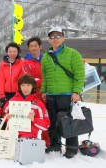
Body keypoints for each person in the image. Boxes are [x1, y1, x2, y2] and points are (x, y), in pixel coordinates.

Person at [41, 27, 85, 159]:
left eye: (58, 36)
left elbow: (80, 74)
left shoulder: (73, 53)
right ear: (49, 40)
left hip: (67, 95)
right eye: (52, 37)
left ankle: (72, 148)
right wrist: (44, 91)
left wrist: (76, 91)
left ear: (63, 38)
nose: (55, 39)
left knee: (69, 122)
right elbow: (45, 76)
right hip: (51, 95)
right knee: (53, 121)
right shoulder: (46, 57)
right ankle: (55, 145)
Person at [22, 37, 50, 147]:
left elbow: (51, 76)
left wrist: (41, 82)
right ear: (29, 48)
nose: (33, 48)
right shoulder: (26, 62)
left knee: (46, 118)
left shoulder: (47, 60)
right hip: (32, 95)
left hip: (47, 94)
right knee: (32, 118)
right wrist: (44, 81)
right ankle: (31, 141)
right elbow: (30, 80)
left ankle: (47, 142)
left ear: (40, 46)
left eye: (35, 46)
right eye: (31, 46)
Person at [3, 74, 50, 139]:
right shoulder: (12, 101)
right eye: (23, 85)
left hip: (29, 138)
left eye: (28, 85)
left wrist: (34, 120)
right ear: (19, 86)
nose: (25, 88)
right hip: (12, 136)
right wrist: (6, 118)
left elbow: (46, 125)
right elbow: (2, 116)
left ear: (32, 86)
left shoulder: (38, 104)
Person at [0, 42, 24, 108]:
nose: (12, 53)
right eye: (10, 51)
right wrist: (2, 95)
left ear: (18, 52)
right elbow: (1, 80)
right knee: (6, 112)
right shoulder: (3, 64)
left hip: (17, 93)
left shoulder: (21, 63)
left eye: (14, 51)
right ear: (7, 52)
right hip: (6, 93)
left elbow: (22, 79)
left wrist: (20, 92)